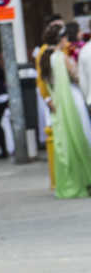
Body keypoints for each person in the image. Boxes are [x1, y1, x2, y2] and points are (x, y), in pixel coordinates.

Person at [39, 22, 91, 198]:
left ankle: (70, 179)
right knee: (81, 137)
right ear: (61, 39)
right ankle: (85, 177)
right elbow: (77, 77)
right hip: (72, 102)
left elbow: (45, 85)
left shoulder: (45, 59)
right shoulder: (61, 58)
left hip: (58, 106)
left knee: (65, 142)